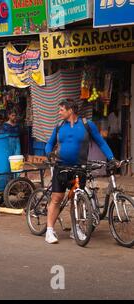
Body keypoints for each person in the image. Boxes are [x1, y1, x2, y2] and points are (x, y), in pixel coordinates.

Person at [44, 99, 116, 244]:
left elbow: (101, 142)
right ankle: (49, 231)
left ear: (70, 110)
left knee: (76, 199)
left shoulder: (87, 125)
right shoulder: (59, 126)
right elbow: (50, 143)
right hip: (61, 167)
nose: (59, 113)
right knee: (57, 198)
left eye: (61, 110)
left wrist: (111, 158)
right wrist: (49, 154)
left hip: (79, 168)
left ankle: (75, 229)